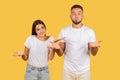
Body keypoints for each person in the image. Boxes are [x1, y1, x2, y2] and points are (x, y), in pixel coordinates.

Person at [55, 4, 101, 80]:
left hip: (84, 72)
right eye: (73, 13)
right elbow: (60, 53)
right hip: (68, 71)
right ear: (70, 16)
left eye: (79, 13)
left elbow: (94, 53)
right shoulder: (64, 31)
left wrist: (95, 48)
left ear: (83, 16)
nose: (76, 16)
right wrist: (56, 48)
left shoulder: (90, 31)